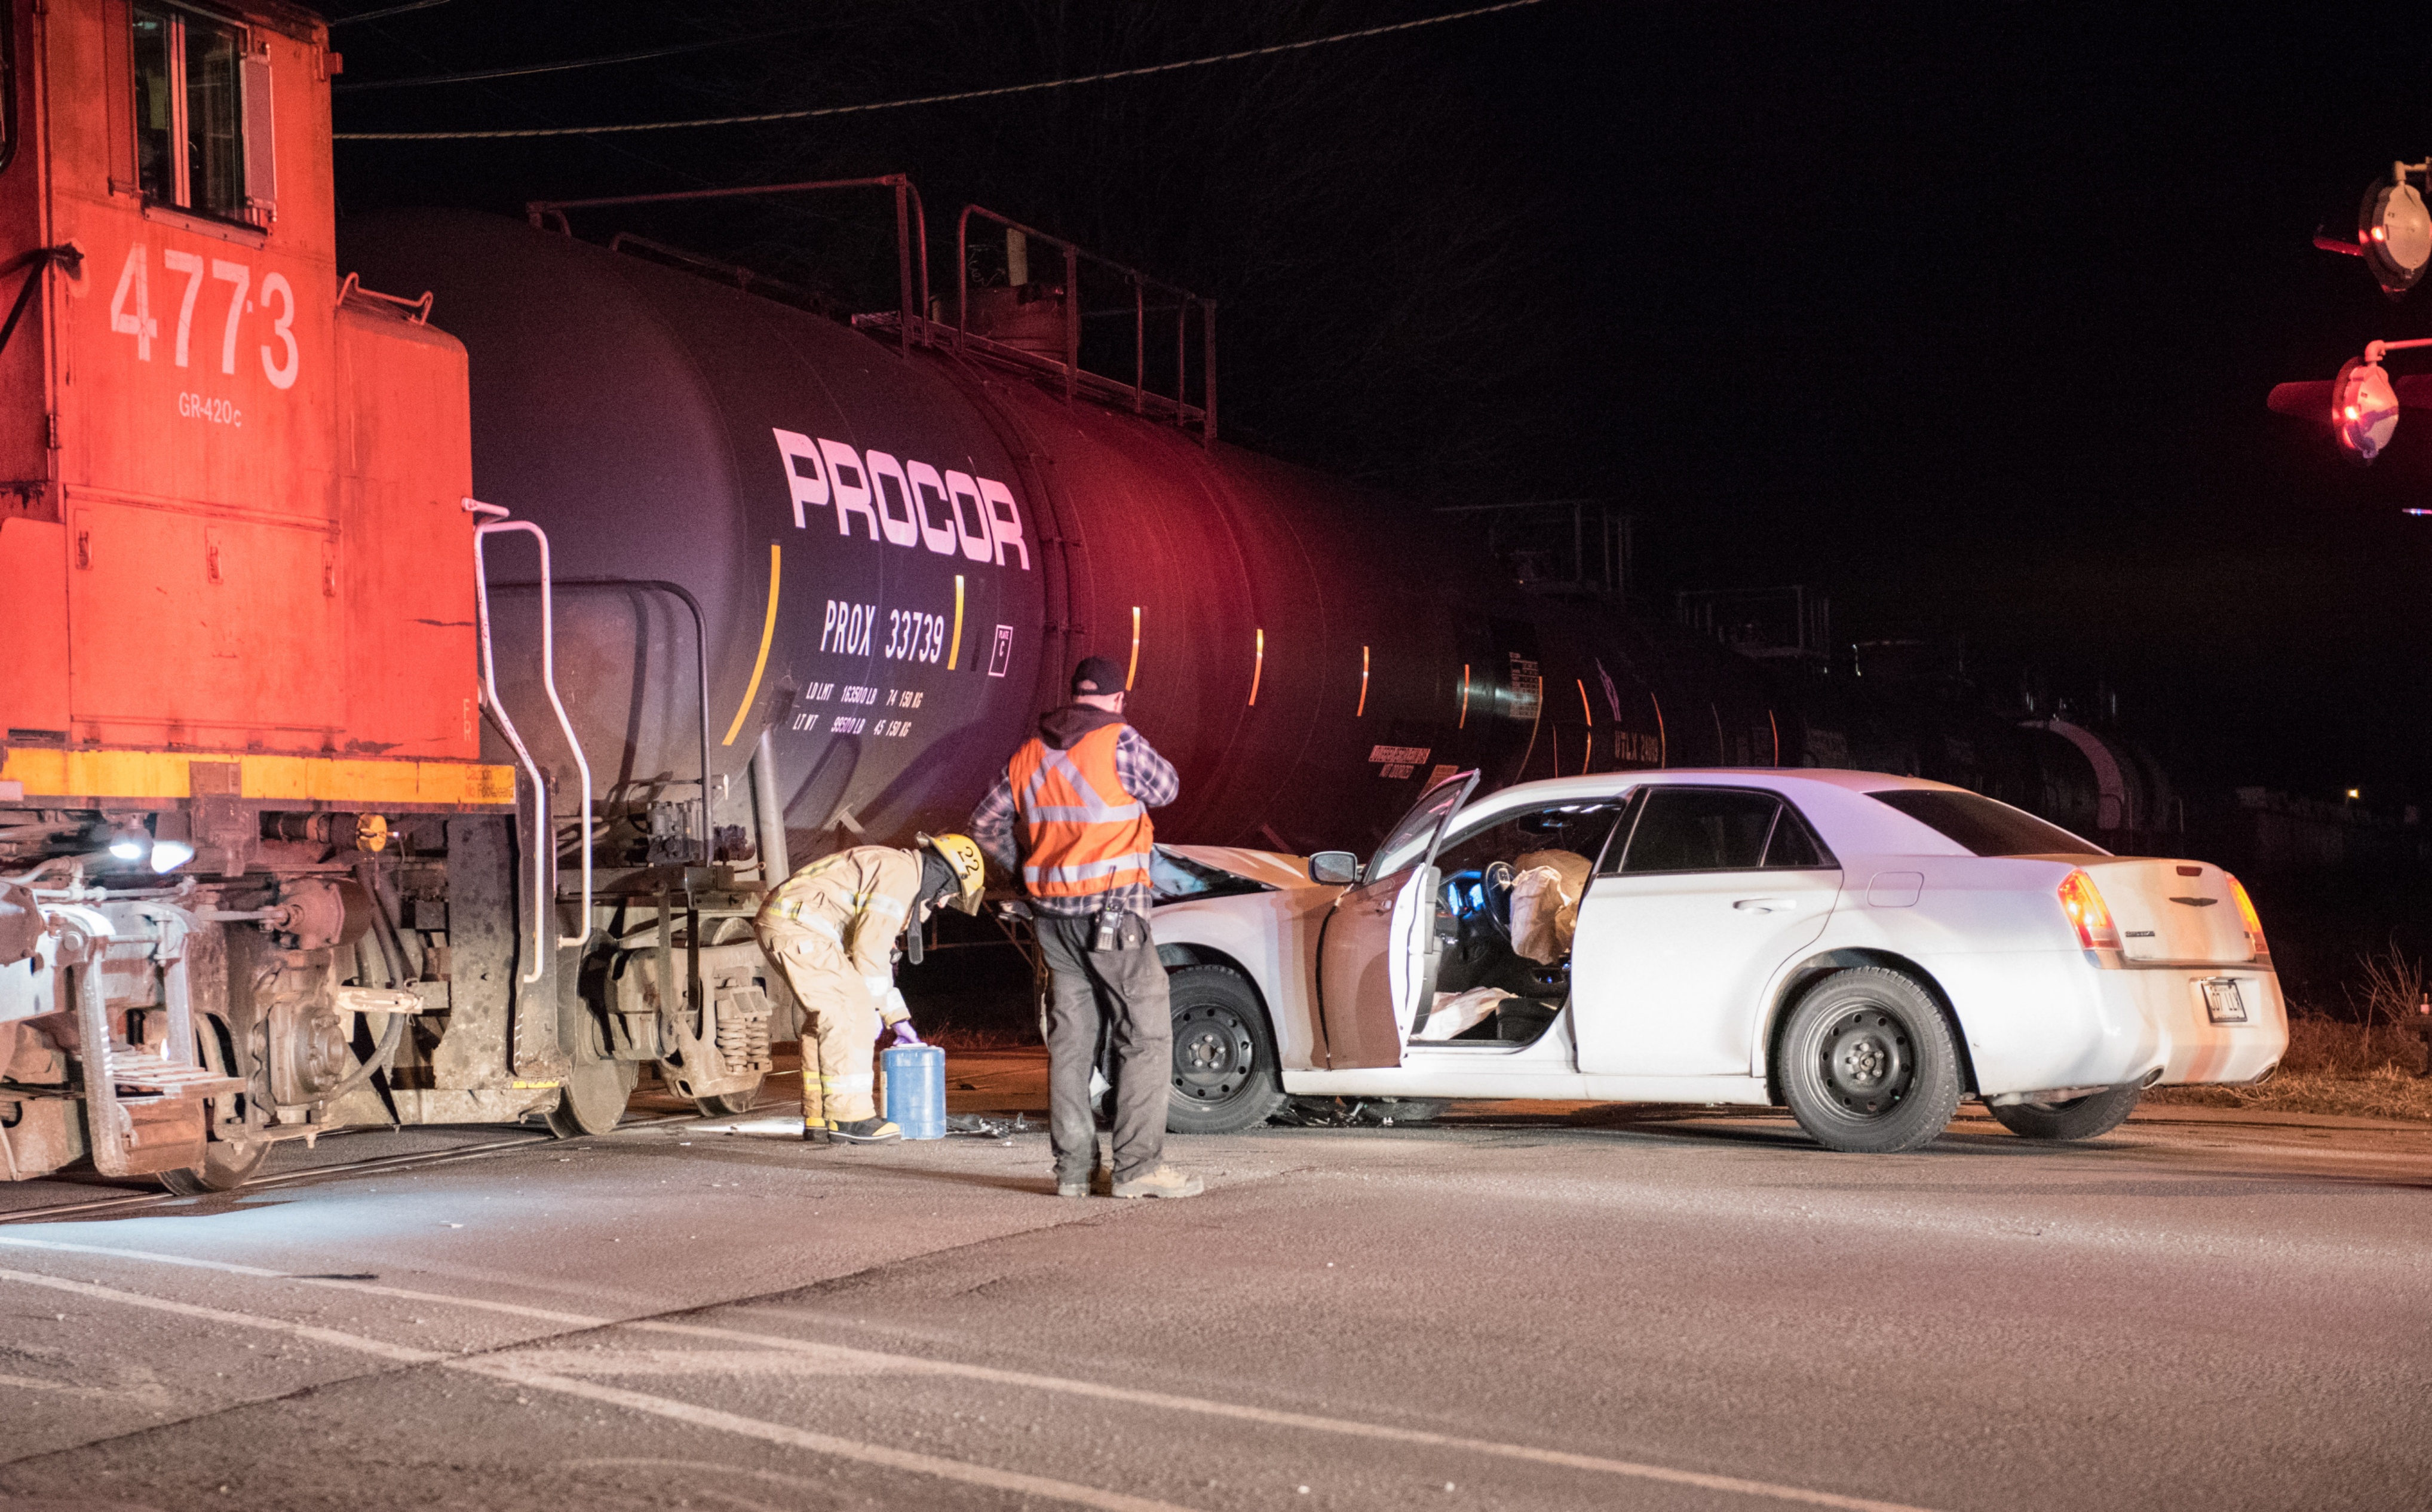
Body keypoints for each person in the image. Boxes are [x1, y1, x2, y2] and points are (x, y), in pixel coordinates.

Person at [971, 655, 1200, 1200]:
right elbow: (1166, 787)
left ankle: (1073, 1171)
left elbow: (983, 823)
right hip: (1115, 913)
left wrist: (1026, 872)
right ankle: (1138, 1168)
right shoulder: (1118, 741)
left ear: (1072, 695)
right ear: (1118, 698)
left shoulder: (1028, 753)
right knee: (1144, 1035)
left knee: (1072, 1043)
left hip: (1053, 918)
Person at [756, 832, 986, 1143]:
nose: (943, 904)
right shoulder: (902, 877)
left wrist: (896, 1017)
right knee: (852, 1013)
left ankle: (819, 1116)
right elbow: (870, 953)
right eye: (949, 894)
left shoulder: (894, 866)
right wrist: (878, 1011)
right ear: (942, 878)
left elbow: (869, 954)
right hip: (803, 928)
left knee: (828, 1017)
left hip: (790, 923)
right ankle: (850, 1118)